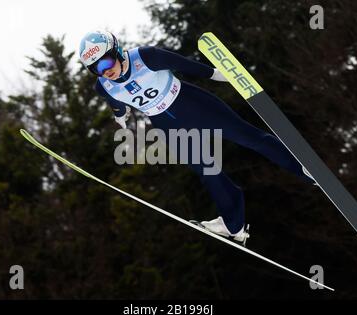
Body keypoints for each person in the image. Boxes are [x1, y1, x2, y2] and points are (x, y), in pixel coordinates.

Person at [78, 30, 316, 244]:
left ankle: (303, 168)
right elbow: (116, 103)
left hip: (192, 103)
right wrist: (120, 116)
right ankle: (233, 224)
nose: (105, 70)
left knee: (248, 138)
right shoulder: (104, 86)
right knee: (207, 170)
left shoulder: (146, 57)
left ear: (117, 50)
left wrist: (222, 75)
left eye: (106, 61)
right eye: (96, 68)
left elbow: (187, 66)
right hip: (166, 124)